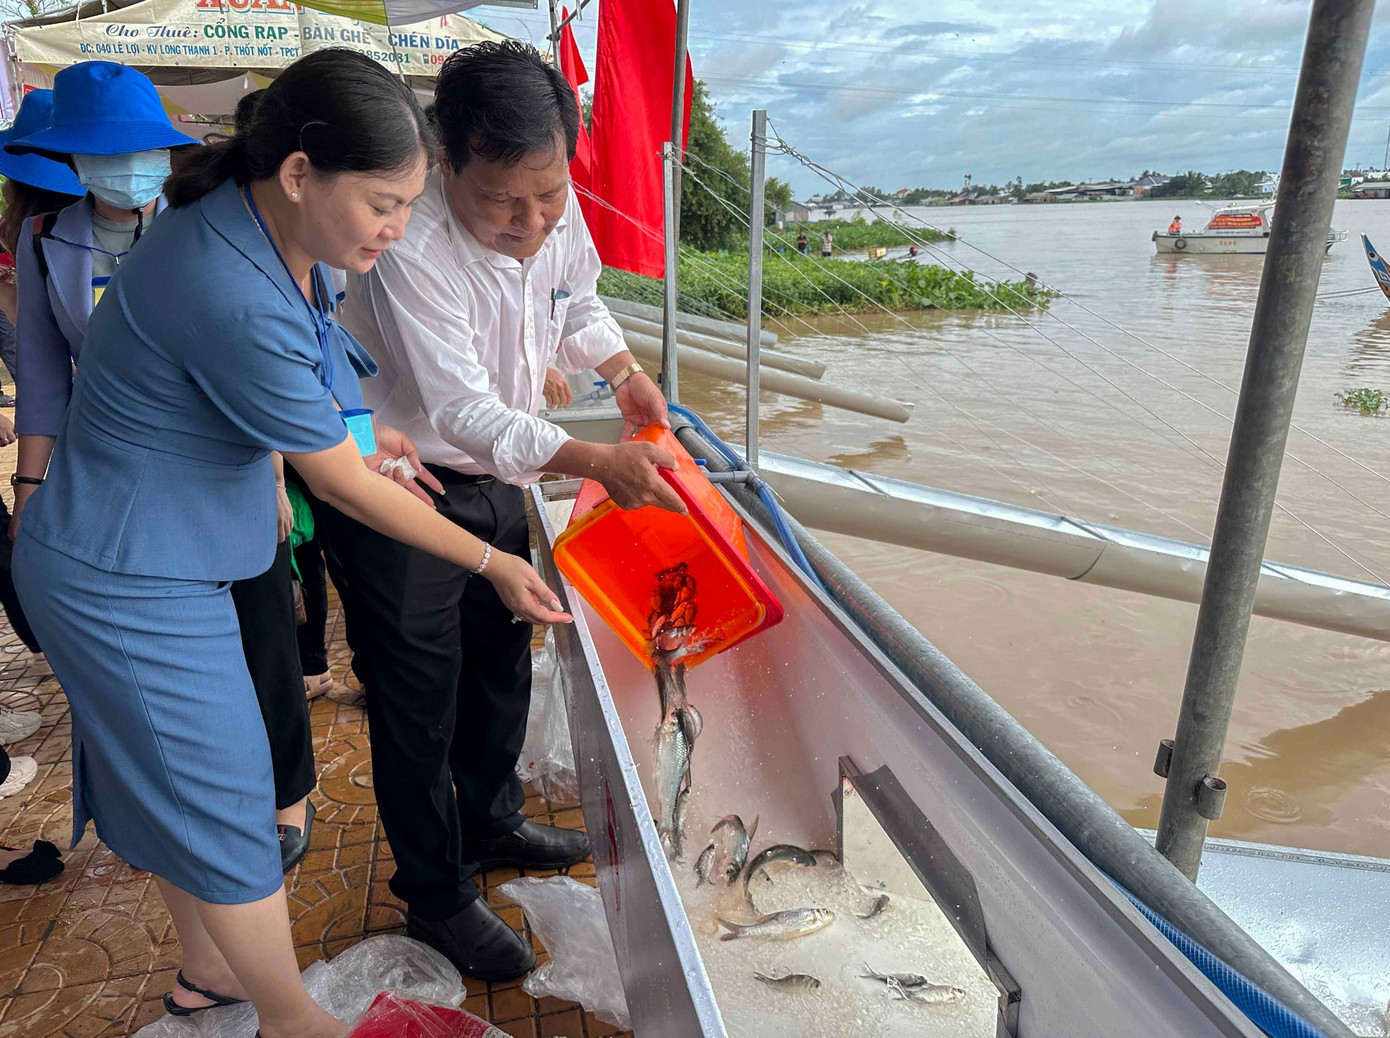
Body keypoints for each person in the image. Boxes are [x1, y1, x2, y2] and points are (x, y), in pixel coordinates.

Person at [11, 49, 568, 1035]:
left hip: (170, 553)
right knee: (225, 796)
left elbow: (317, 380)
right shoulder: (227, 279)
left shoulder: (255, 230)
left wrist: (359, 429)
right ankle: (294, 1020)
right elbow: (342, 483)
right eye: (384, 204)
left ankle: (210, 973)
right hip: (125, 574)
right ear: (303, 171)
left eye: (411, 203)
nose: (399, 230)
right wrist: (493, 560)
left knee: (180, 780)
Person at [328, 39, 682, 981]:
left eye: (550, 193)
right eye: (502, 201)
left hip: (504, 481)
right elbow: (460, 410)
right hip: (400, 489)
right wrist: (592, 454)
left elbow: (578, 302)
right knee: (417, 700)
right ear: (448, 162)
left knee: (499, 669)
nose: (530, 222)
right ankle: (436, 893)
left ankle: (489, 821)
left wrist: (627, 375)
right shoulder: (412, 246)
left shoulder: (554, 217)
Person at [8, 65, 328, 873]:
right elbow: (45, 381)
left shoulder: (208, 224)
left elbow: (276, 353)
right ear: (72, 161)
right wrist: (31, 494)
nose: (127, 167)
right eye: (105, 153)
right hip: (115, 474)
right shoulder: (46, 241)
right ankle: (167, 806)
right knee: (143, 648)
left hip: (231, 461)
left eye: (143, 148)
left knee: (263, 632)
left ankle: (287, 798)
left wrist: (276, 473)